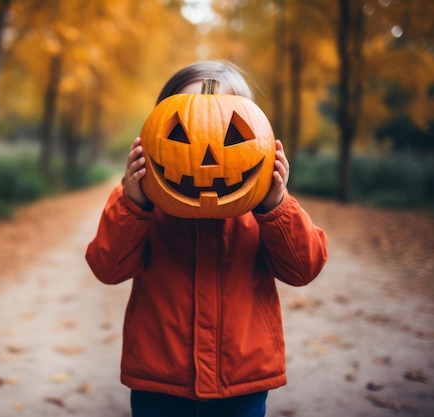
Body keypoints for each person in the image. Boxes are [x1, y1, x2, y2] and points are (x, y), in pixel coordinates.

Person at [85, 60, 328, 417]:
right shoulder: (142, 208)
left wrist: (276, 205)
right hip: (159, 380)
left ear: (260, 143)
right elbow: (108, 269)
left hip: (242, 380)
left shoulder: (263, 213)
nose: (206, 156)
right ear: (151, 137)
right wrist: (133, 202)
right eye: (181, 135)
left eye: (231, 137)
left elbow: (303, 269)